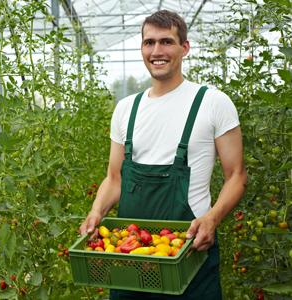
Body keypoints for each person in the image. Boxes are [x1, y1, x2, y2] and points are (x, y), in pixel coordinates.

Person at [79, 10, 247, 300]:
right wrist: (96, 212)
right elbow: (114, 178)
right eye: (149, 43)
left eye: (166, 42)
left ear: (185, 47)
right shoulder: (126, 110)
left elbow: (237, 176)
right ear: (142, 48)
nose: (157, 51)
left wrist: (212, 218)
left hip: (189, 255)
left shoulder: (212, 102)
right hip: (129, 258)